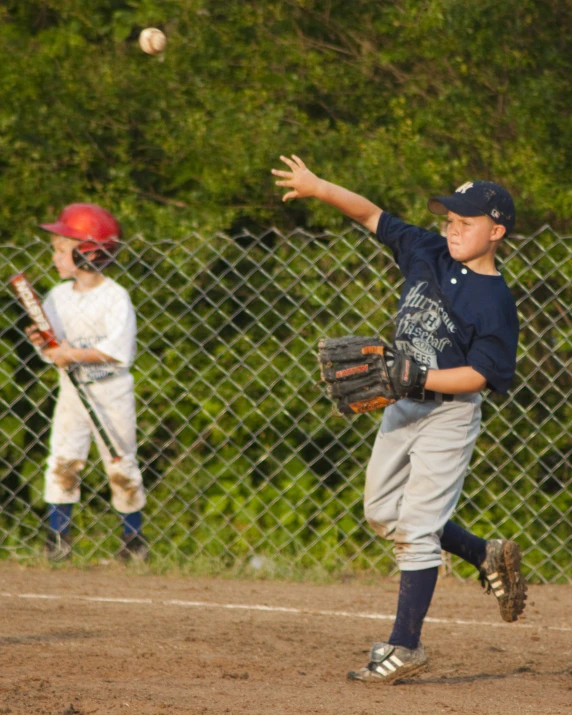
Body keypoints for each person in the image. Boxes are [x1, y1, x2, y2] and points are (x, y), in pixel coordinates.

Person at [272, 155, 527, 683]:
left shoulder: (495, 301)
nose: (453, 229)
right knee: (382, 512)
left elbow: (479, 377)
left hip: (448, 415)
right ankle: (483, 553)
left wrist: (418, 377)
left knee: (415, 530)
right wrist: (320, 187)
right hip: (402, 405)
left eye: (467, 222)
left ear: (496, 231)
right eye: (449, 220)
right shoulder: (427, 251)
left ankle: (405, 646)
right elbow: (373, 216)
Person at [26, 203, 147, 562]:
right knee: (63, 460)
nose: (55, 257)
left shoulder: (114, 296)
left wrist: (70, 354)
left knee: (120, 463)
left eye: (62, 249)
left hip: (111, 391)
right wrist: (44, 343)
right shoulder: (58, 297)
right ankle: (58, 540)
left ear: (89, 252)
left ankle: (133, 542)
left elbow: (117, 349)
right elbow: (53, 348)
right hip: (72, 393)